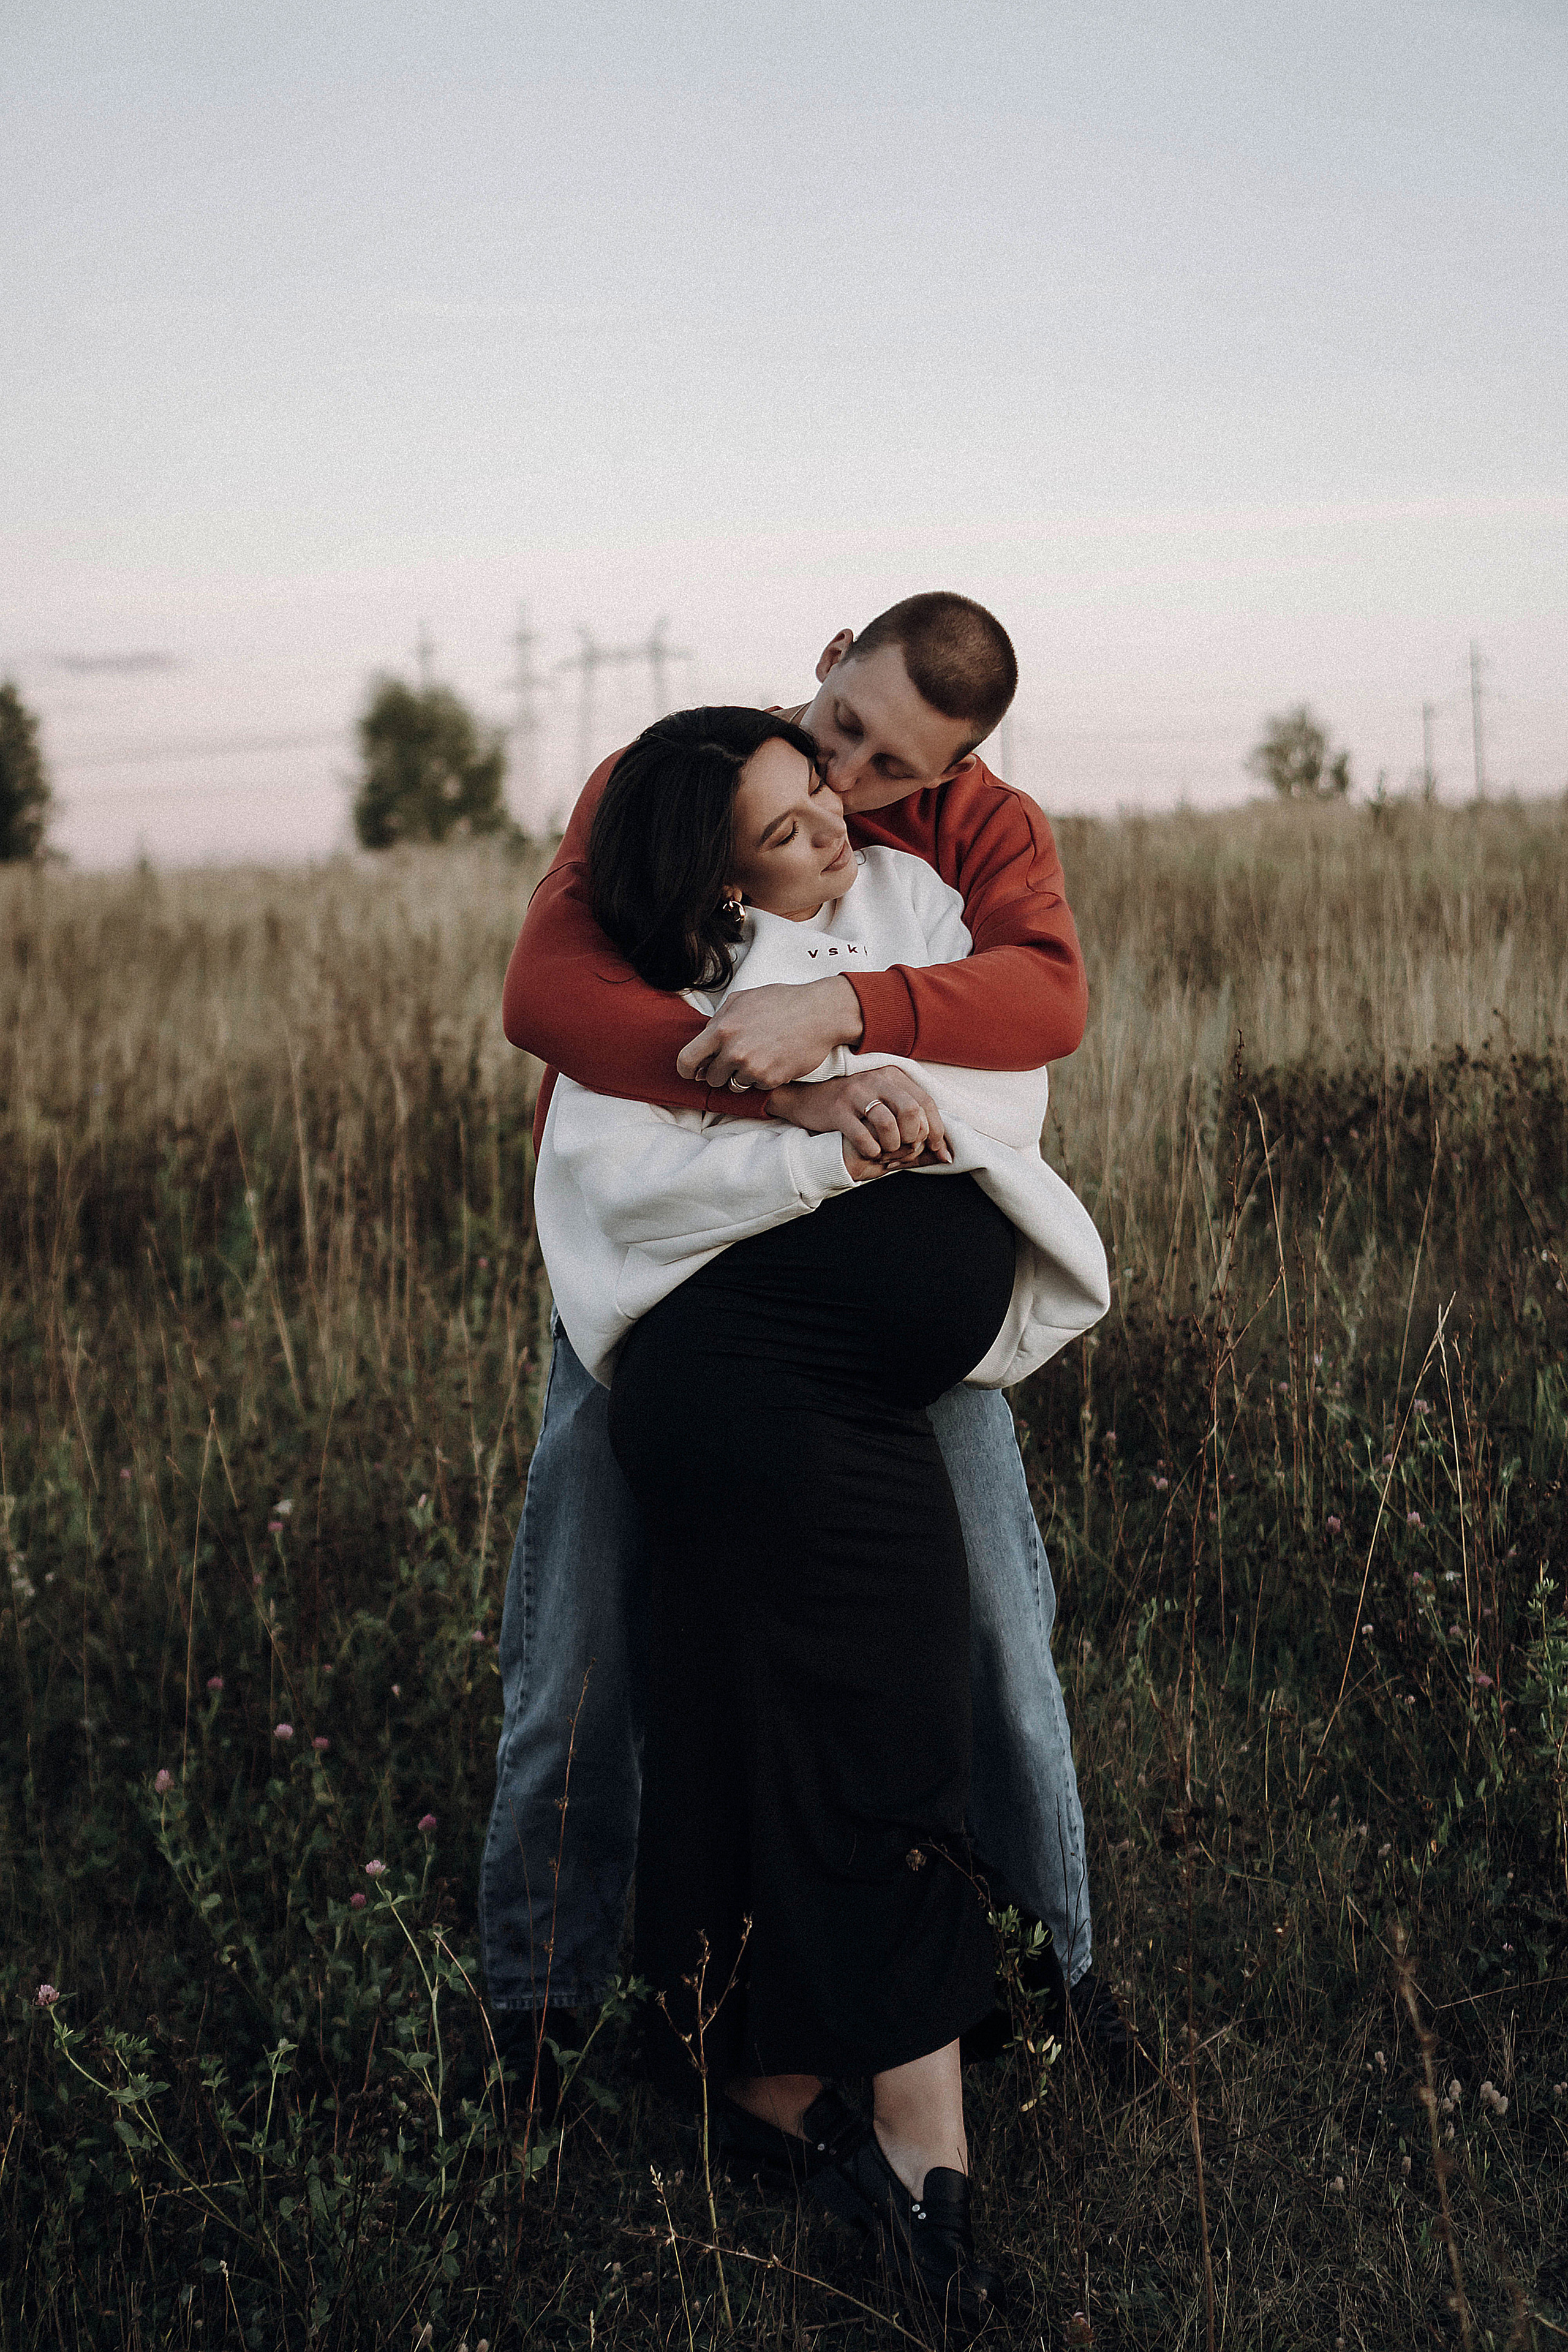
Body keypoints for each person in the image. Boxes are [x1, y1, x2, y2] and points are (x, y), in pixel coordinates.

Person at [479, 594, 1140, 2092]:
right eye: (840, 727)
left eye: (897, 771)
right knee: (581, 1624)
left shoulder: (984, 827)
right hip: (667, 1255)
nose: (845, 785)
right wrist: (769, 1088)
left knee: (983, 1613)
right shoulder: (687, 771)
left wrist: (838, 1010)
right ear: (831, 647)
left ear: (963, 761)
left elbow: (1044, 997)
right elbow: (549, 992)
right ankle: (539, 2005)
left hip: (853, 1280)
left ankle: (1050, 1969)